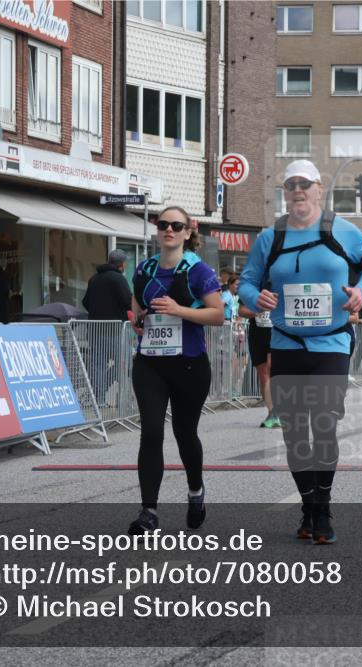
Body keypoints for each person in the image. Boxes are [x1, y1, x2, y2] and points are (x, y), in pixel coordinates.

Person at [239, 159, 362, 545]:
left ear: (320, 188)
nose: (298, 191)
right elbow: (247, 282)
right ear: (284, 194)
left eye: (304, 184)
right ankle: (307, 505)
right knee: (295, 434)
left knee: (324, 422)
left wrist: (359, 293)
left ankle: (324, 505)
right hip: (285, 344)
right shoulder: (272, 237)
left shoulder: (342, 230)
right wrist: (258, 296)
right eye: (290, 186)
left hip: (331, 344)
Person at [127, 206, 224, 535]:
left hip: (189, 364)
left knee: (185, 434)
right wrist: (138, 323)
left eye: (176, 225)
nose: (169, 229)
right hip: (150, 362)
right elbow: (138, 313)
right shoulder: (143, 270)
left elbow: (217, 315)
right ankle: (149, 512)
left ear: (186, 232)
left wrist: (178, 309)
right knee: (151, 432)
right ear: (157, 229)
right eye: (163, 224)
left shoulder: (198, 271)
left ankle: (196, 492)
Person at [82, 249, 134, 405]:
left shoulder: (94, 279)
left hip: (95, 330)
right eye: (125, 262)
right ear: (121, 264)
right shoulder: (118, 279)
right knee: (122, 363)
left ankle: (99, 399)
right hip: (114, 330)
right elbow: (127, 302)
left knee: (98, 364)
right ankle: (123, 401)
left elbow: (85, 302)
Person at [240, 300, 281, 429]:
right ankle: (271, 412)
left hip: (276, 333)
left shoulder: (277, 283)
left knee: (272, 368)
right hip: (256, 335)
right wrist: (257, 311)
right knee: (263, 375)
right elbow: (241, 310)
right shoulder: (252, 286)